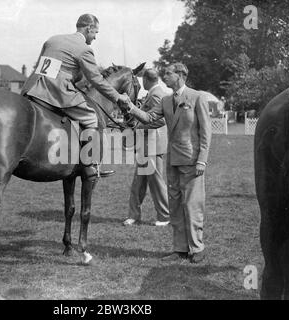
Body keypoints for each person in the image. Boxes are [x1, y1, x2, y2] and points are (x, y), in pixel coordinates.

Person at [120, 63, 212, 263]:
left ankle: (197, 248)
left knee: (192, 205)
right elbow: (149, 117)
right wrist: (130, 107)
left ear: (180, 75)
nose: (164, 76)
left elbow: (206, 132)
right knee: (176, 205)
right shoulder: (166, 99)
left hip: (192, 161)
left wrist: (202, 161)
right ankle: (179, 249)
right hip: (172, 161)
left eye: (168, 73)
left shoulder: (197, 97)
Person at [21, 13, 130, 178]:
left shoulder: (53, 40)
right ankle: (90, 166)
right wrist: (117, 97)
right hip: (57, 91)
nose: (94, 38)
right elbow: (97, 80)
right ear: (89, 28)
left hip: (35, 88)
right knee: (91, 118)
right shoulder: (85, 49)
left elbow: (42, 68)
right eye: (95, 33)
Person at [123, 68, 170, 227]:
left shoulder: (156, 94)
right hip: (147, 145)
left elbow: (160, 121)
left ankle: (164, 216)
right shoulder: (155, 92)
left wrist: (139, 128)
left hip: (153, 146)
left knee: (156, 183)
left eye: (143, 79)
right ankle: (134, 216)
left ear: (146, 80)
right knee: (138, 183)